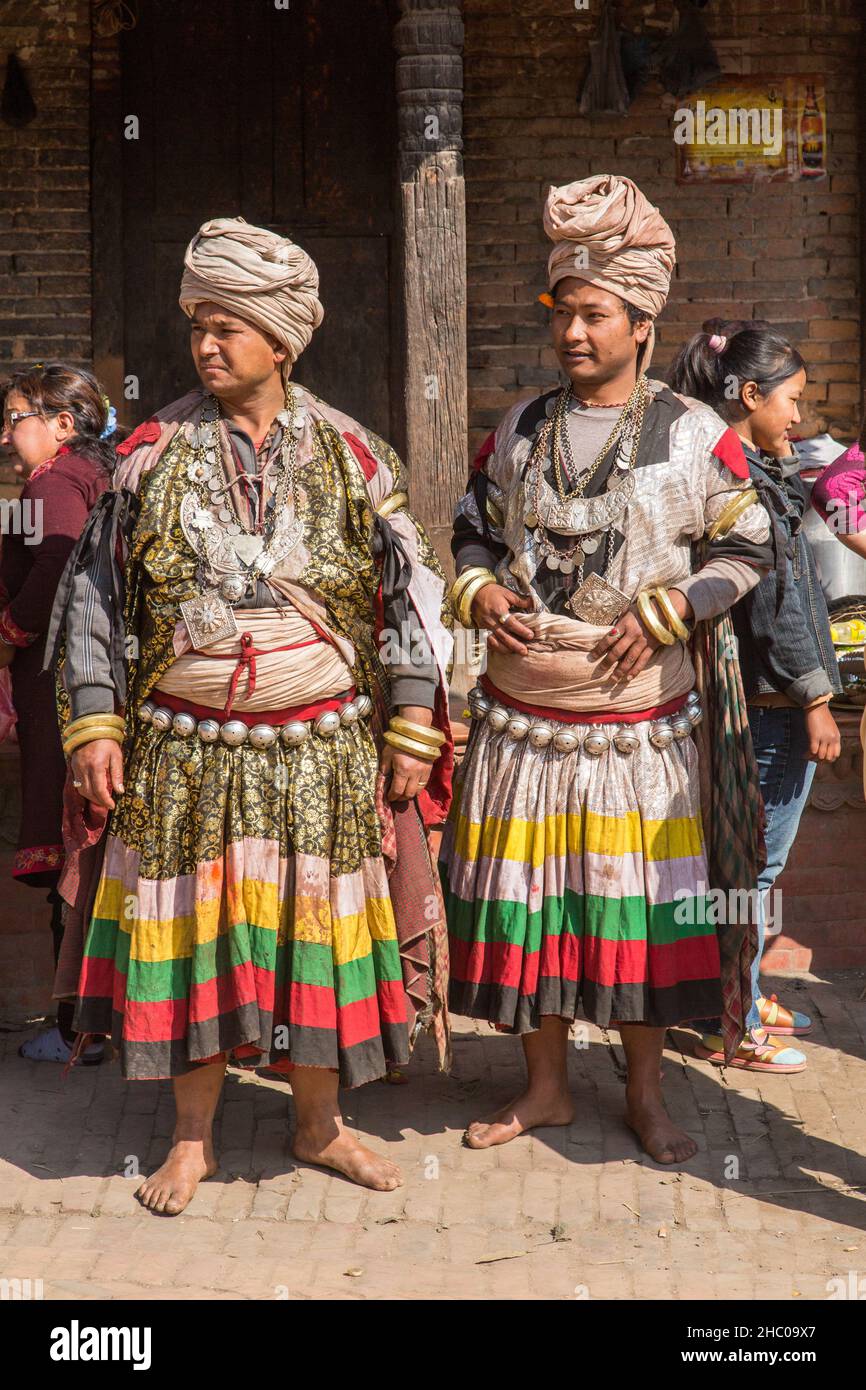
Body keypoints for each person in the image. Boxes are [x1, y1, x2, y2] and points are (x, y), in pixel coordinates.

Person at [47, 217, 453, 1213]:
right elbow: (95, 595)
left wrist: (409, 716)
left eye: (229, 326)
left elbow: (409, 593)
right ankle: (191, 1140)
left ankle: (318, 1127)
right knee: (189, 939)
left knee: (308, 938)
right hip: (184, 753)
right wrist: (95, 720)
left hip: (317, 750)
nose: (207, 344)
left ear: (283, 339)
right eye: (199, 325)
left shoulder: (354, 455)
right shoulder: (147, 454)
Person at [439, 174, 774, 1165]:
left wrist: (669, 609)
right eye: (563, 313)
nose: (573, 332)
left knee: (633, 913)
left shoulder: (692, 435)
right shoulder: (521, 428)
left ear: (639, 319)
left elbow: (747, 546)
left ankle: (643, 1095)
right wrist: (482, 594)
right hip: (525, 723)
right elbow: (464, 531)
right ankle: (541, 1088)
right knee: (536, 909)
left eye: (593, 314)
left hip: (641, 728)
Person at [670, 326, 841, 1071]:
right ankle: (731, 1027)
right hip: (770, 708)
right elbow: (781, 607)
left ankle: (737, 993)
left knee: (744, 863)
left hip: (753, 703)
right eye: (792, 401)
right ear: (748, 396)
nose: (799, 418)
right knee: (752, 869)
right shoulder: (747, 486)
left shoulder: (751, 469)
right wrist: (814, 698)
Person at [0, 365, 121, 1064]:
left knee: (71, 836)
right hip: (91, 683)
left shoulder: (55, 483)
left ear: (63, 425)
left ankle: (80, 1027)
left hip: (61, 687)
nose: (7, 435)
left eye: (17, 417)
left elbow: (57, 564)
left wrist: (9, 633)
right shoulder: (90, 476)